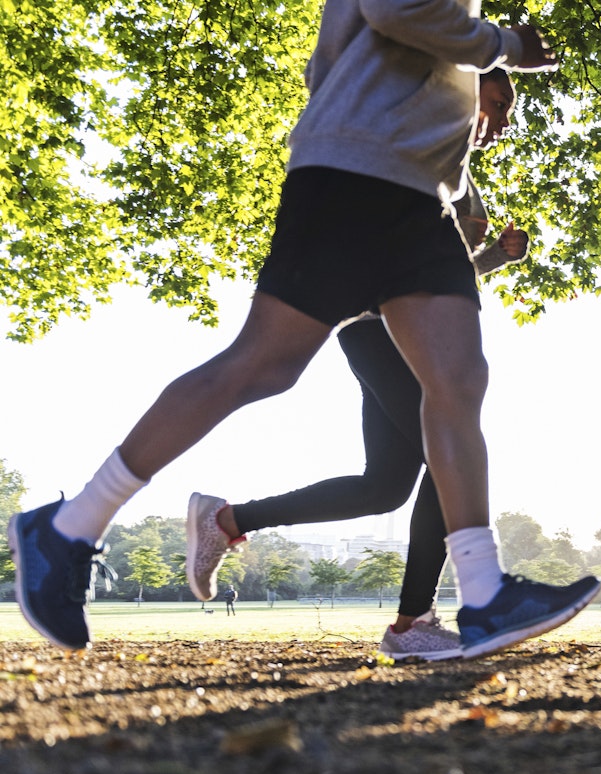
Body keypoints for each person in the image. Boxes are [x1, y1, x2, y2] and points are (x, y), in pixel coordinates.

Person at [7, 1, 598, 656]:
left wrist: (477, 90)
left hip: (417, 191)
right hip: (358, 174)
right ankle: (69, 527)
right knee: (263, 364)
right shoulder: (469, 48)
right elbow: (394, 9)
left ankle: (484, 595)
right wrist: (503, 47)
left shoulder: (455, 125)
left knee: (458, 380)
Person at [187, 125, 531, 663]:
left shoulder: (457, 170)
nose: (504, 119)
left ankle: (229, 520)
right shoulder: (413, 147)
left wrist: (497, 259)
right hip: (379, 324)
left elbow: (441, 266)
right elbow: (390, 252)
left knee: (386, 487)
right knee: (448, 456)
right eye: (498, 101)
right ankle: (413, 621)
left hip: (396, 326)